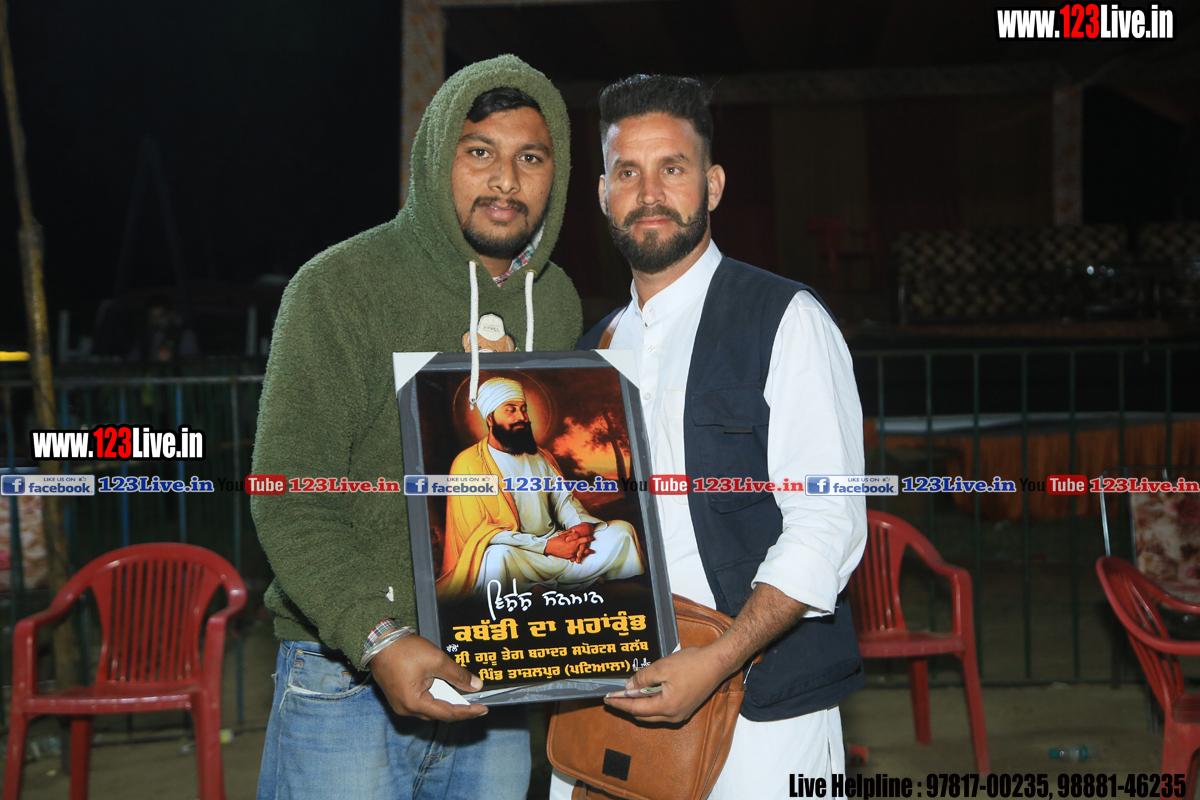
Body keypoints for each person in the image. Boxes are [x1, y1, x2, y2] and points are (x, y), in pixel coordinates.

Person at [251, 55, 583, 800]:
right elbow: (287, 494)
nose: (506, 180)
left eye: (530, 158)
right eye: (480, 152)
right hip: (348, 678)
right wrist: (379, 637)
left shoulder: (556, 300)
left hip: (496, 682)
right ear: (436, 160)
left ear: (556, 174)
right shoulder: (339, 287)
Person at [557, 75, 868, 799]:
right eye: (627, 172)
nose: (650, 192)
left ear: (713, 184)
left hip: (764, 711)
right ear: (603, 193)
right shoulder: (592, 349)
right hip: (617, 694)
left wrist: (719, 659)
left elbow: (829, 523)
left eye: (673, 168)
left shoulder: (785, 320)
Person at [437, 376, 644, 602]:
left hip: (560, 545)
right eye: (511, 410)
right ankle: (569, 584)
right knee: (497, 557)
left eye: (523, 409)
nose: (521, 417)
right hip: (522, 554)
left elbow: (563, 501)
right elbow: (482, 534)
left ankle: (550, 586)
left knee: (622, 531)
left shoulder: (540, 456)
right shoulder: (468, 464)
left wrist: (579, 528)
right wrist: (546, 547)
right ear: (490, 418)